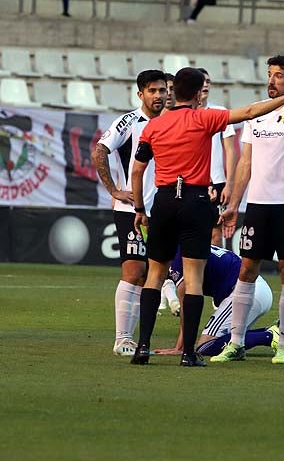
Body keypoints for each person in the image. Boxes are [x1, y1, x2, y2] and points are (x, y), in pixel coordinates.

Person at [129, 66, 284, 367]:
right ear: (197, 93)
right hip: (195, 199)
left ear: (174, 91)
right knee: (193, 279)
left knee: (153, 276)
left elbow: (137, 170)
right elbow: (252, 111)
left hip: (163, 200)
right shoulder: (204, 118)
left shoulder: (154, 126)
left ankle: (142, 347)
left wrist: (139, 208)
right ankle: (189, 353)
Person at [216, 55, 284, 365]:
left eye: (278, 76)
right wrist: (234, 203)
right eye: (270, 74)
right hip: (257, 206)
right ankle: (235, 343)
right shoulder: (257, 114)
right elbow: (245, 162)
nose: (271, 80)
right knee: (247, 270)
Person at [92, 70, 169, 356]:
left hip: (163, 209)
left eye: (162, 90)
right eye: (152, 91)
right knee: (134, 270)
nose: (159, 96)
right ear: (141, 94)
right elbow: (100, 151)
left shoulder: (171, 122)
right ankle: (122, 338)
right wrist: (114, 190)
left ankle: (145, 337)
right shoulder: (129, 121)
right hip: (132, 209)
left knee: (158, 271)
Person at [156, 245, 284, 359]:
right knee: (229, 338)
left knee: (206, 346)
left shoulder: (179, 256)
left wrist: (181, 348)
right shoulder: (187, 246)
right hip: (255, 290)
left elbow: (187, 306)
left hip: (244, 292)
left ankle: (269, 336)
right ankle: (275, 332)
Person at [198, 68, 236, 248]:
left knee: (215, 235)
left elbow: (230, 149)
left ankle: (213, 275)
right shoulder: (183, 113)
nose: (205, 84)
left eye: (208, 81)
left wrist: (229, 184)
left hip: (218, 182)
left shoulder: (220, 112)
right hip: (192, 182)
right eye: (202, 81)